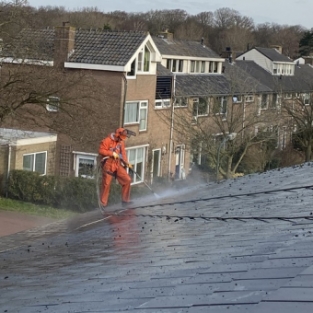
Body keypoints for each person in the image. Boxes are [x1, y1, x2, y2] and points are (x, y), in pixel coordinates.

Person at [98, 127, 134, 208]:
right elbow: (101, 151)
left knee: (127, 180)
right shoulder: (107, 140)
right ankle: (103, 204)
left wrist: (126, 162)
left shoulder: (121, 142)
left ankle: (125, 201)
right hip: (108, 164)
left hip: (117, 164)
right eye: (120, 138)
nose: (121, 140)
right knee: (106, 184)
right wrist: (111, 154)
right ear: (117, 135)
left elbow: (123, 153)